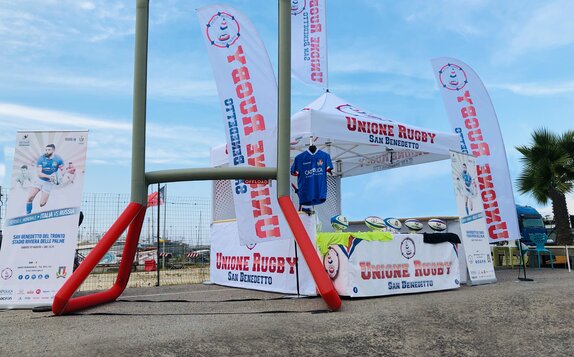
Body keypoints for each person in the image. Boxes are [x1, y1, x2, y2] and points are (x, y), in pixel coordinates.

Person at [26, 144, 64, 214]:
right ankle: (28, 213)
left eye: (49, 150)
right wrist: (50, 176)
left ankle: (42, 202)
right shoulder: (41, 159)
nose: (47, 151)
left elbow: (62, 170)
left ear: (53, 150)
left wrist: (60, 177)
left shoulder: (58, 159)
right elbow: (39, 173)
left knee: (42, 204)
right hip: (39, 180)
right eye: (46, 150)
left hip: (48, 183)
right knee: (30, 197)